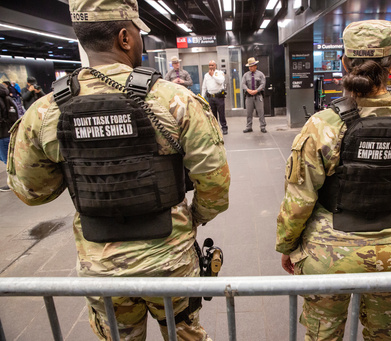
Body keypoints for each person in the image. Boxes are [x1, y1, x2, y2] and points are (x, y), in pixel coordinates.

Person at [6, 0, 230, 340]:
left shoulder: (45, 112)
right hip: (170, 264)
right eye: (139, 33)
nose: (140, 40)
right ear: (125, 38)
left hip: (101, 270)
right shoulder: (176, 100)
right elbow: (215, 187)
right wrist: (190, 219)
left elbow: (32, 192)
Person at [276, 20, 391, 341]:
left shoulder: (324, 124)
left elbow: (298, 202)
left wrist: (288, 246)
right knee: (386, 331)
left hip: (327, 256)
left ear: (345, 63)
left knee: (322, 334)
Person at [0, 82, 19, 192]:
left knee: (7, 160)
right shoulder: (8, 99)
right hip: (9, 132)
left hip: (2, 134)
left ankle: (13, 183)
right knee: (9, 159)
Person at [201, 60, 228, 135]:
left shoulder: (219, 73)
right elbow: (204, 87)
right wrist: (202, 98)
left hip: (219, 97)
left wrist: (213, 75)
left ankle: (224, 128)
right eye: (209, 65)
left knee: (221, 114)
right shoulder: (206, 75)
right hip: (211, 97)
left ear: (215, 66)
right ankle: (215, 129)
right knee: (213, 115)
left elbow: (221, 81)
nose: (211, 67)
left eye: (212, 65)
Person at [241, 57, 267, 133]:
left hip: (258, 96)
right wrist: (248, 90)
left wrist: (256, 90)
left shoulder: (260, 74)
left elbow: (263, 84)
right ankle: (249, 127)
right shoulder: (246, 75)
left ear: (255, 66)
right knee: (249, 112)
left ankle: (263, 127)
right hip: (249, 96)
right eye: (249, 66)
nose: (250, 68)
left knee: (260, 112)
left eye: (252, 66)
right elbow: (243, 84)